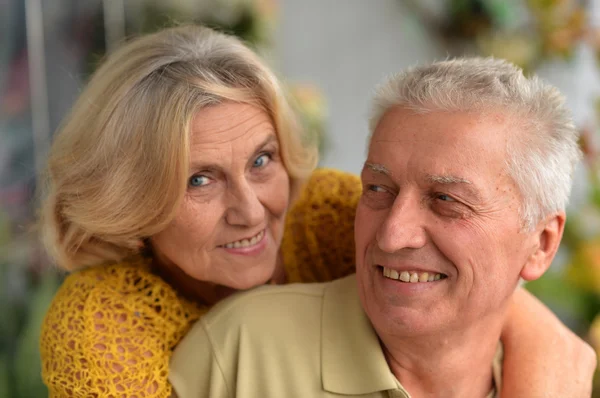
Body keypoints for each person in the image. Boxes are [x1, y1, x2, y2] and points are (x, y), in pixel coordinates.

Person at [38, 24, 594, 398]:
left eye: (262, 159)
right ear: (131, 206)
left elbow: (472, 267)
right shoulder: (103, 329)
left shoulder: (329, 211)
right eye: (199, 179)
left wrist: (542, 351)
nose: (251, 211)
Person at [169, 57, 597, 398]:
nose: (392, 235)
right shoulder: (240, 352)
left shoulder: (562, 379)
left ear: (541, 245)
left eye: (446, 200)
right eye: (378, 188)